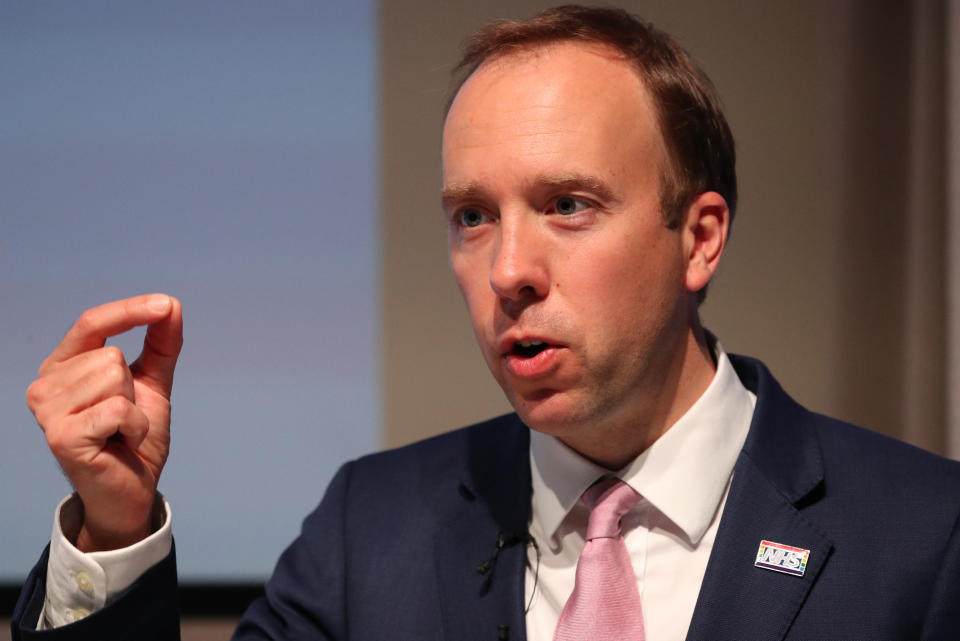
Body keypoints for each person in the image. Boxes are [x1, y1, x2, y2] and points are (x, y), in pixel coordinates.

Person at [12, 5, 960, 640]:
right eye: (473, 216)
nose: (507, 270)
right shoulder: (368, 533)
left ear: (699, 238)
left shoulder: (925, 537)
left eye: (569, 205)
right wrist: (114, 523)